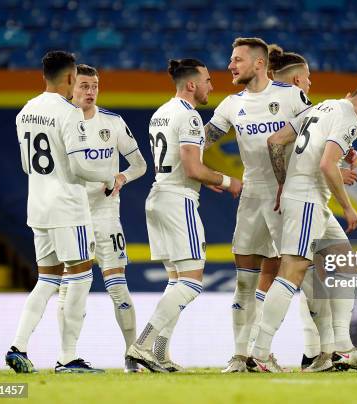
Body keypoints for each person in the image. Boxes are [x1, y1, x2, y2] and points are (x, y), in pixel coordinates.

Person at [252, 80, 357, 372]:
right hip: (308, 202)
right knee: (292, 271)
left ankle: (341, 349)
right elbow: (327, 165)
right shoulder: (349, 117)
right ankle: (260, 353)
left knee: (346, 262)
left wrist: (284, 182)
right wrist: (348, 206)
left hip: (308, 199)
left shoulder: (323, 105)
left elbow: (276, 141)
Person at [246, 44, 357, 372]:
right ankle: (275, 351)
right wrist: (339, 164)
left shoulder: (261, 102)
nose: (310, 83)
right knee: (300, 274)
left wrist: (343, 152)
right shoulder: (299, 103)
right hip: (294, 199)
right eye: (308, 78)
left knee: (308, 274)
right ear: (297, 80)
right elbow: (310, 158)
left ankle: (321, 352)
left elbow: (291, 147)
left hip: (272, 198)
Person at [203, 37, 313, 373]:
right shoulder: (229, 104)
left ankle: (307, 351)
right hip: (251, 194)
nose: (230, 65)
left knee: (298, 276)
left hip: (287, 196)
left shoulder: (291, 96)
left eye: (236, 59)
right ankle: (241, 356)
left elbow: (319, 134)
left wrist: (343, 158)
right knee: (245, 281)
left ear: (259, 63)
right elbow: (202, 140)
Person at [8, 51, 122, 373]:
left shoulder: (25, 111)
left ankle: (18, 346)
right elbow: (78, 166)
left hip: (38, 207)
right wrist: (108, 176)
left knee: (47, 279)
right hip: (69, 209)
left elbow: (24, 164)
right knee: (81, 278)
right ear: (71, 78)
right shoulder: (69, 113)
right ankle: (67, 357)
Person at [126, 59, 241, 372]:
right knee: (191, 283)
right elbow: (193, 168)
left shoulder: (162, 112)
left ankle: (159, 354)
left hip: (159, 196)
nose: (211, 86)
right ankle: (142, 346)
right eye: (207, 80)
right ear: (192, 84)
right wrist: (230, 182)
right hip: (179, 200)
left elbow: (188, 159)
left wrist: (206, 174)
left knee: (176, 280)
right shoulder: (189, 116)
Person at [58, 64, 146, 373]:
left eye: (94, 85)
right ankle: (67, 357)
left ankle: (132, 356)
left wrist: (121, 177)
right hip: (72, 214)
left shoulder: (113, 122)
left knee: (118, 285)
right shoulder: (61, 123)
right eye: (84, 86)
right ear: (72, 88)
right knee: (70, 287)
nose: (90, 91)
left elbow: (139, 164)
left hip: (107, 213)